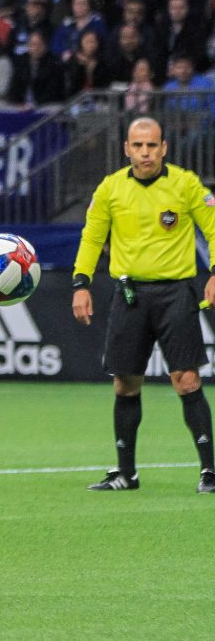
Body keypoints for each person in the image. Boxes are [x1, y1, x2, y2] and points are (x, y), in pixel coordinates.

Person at [72, 117, 215, 494]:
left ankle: (209, 472)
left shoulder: (185, 184)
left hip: (176, 294)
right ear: (127, 149)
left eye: (152, 145)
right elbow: (92, 238)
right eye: (138, 145)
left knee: (186, 379)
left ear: (164, 148)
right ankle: (126, 474)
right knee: (124, 383)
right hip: (130, 295)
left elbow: (214, 227)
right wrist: (81, 283)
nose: (145, 152)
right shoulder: (110, 189)